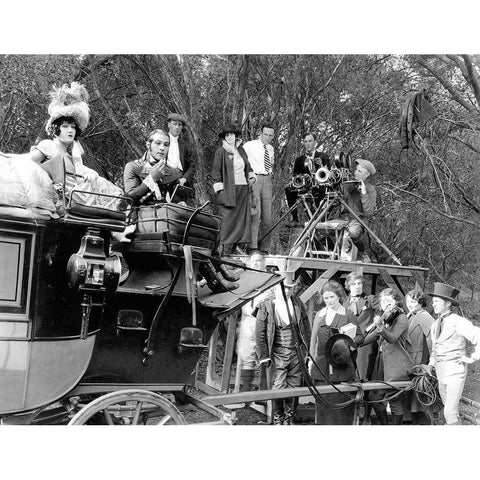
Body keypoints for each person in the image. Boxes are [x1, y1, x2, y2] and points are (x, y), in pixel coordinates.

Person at [256, 278, 311, 425]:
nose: (287, 291)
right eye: (284, 288)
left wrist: (307, 351)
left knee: (294, 385)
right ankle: (278, 418)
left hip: (296, 353)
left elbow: (306, 329)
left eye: (290, 288)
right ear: (275, 289)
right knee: (278, 386)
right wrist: (264, 356)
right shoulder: (266, 306)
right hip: (276, 354)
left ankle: (289, 418)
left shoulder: (298, 304)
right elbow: (260, 333)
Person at [309, 280, 363, 424]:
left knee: (341, 412)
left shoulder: (348, 315)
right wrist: (310, 361)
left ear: (338, 296)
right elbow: (313, 340)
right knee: (323, 411)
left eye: (332, 297)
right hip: (321, 370)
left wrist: (347, 341)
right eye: (326, 298)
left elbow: (360, 337)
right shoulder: (320, 315)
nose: (329, 301)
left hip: (342, 370)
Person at [426, 282, 480, 425]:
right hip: (440, 372)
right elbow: (435, 349)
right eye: (433, 301)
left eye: (437, 301)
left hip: (455, 371)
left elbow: (477, 335)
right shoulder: (435, 324)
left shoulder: (458, 322)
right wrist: (430, 365)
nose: (433, 304)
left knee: (449, 412)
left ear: (448, 303)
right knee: (449, 412)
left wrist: (473, 357)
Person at [363, 288, 413, 425]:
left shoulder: (401, 317)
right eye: (383, 301)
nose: (386, 304)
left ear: (396, 301)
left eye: (389, 301)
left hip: (396, 364)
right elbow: (373, 336)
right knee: (374, 396)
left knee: (394, 400)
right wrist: (355, 342)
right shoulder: (386, 317)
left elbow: (392, 338)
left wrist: (380, 326)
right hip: (382, 363)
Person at [212, 123, 256, 255]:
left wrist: (252, 177)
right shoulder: (221, 151)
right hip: (228, 190)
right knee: (228, 221)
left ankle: (233, 250)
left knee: (241, 220)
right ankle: (222, 253)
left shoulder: (241, 150)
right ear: (224, 137)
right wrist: (221, 192)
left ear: (235, 135)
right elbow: (215, 174)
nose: (230, 137)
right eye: (227, 135)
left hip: (243, 189)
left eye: (231, 134)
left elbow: (248, 167)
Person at [124, 128, 185, 206]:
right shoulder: (133, 167)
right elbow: (130, 199)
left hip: (165, 214)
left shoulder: (172, 172)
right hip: (141, 214)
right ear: (148, 145)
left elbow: (176, 201)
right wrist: (151, 179)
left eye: (166, 145)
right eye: (158, 143)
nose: (162, 148)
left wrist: (180, 203)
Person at [236, 252, 269, 391]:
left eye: (259, 261)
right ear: (249, 263)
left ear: (264, 263)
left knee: (264, 354)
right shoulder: (245, 278)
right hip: (247, 320)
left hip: (263, 321)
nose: (256, 263)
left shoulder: (269, 279)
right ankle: (246, 388)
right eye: (254, 261)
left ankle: (263, 390)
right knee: (246, 353)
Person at [285, 132, 330, 228]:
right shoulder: (299, 160)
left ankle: (320, 220)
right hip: (305, 186)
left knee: (320, 193)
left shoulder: (323, 156)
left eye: (310, 141)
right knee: (288, 189)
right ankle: (294, 219)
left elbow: (328, 174)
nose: (308, 144)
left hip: (319, 186)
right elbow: (295, 176)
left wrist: (321, 165)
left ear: (315, 142)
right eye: (305, 141)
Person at [243, 124, 275, 254]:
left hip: (267, 180)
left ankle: (265, 248)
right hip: (254, 178)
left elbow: (271, 165)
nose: (267, 137)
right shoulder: (250, 145)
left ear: (273, 136)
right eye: (265, 134)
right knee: (255, 214)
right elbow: (241, 160)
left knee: (267, 217)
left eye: (270, 135)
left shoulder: (271, 148)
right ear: (260, 133)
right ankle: (252, 247)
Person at [404, 288, 434, 424]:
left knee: (421, 394)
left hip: (420, 359)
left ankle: (424, 422)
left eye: (414, 301)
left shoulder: (425, 317)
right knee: (412, 396)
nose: (410, 304)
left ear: (421, 302)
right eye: (408, 301)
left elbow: (433, 341)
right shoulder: (410, 315)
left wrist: (429, 363)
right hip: (409, 359)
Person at [341, 158, 377, 262]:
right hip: (343, 218)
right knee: (320, 229)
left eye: (359, 171)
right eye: (356, 170)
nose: (355, 173)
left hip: (358, 220)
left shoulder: (370, 189)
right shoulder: (349, 184)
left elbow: (369, 212)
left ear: (367, 175)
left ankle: (362, 252)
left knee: (353, 232)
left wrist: (364, 193)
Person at [165, 112, 196, 204]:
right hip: (164, 178)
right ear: (169, 124)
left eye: (180, 125)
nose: (177, 127)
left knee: (181, 210)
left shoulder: (185, 146)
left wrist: (185, 178)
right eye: (175, 124)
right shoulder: (161, 141)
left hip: (180, 180)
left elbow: (192, 165)